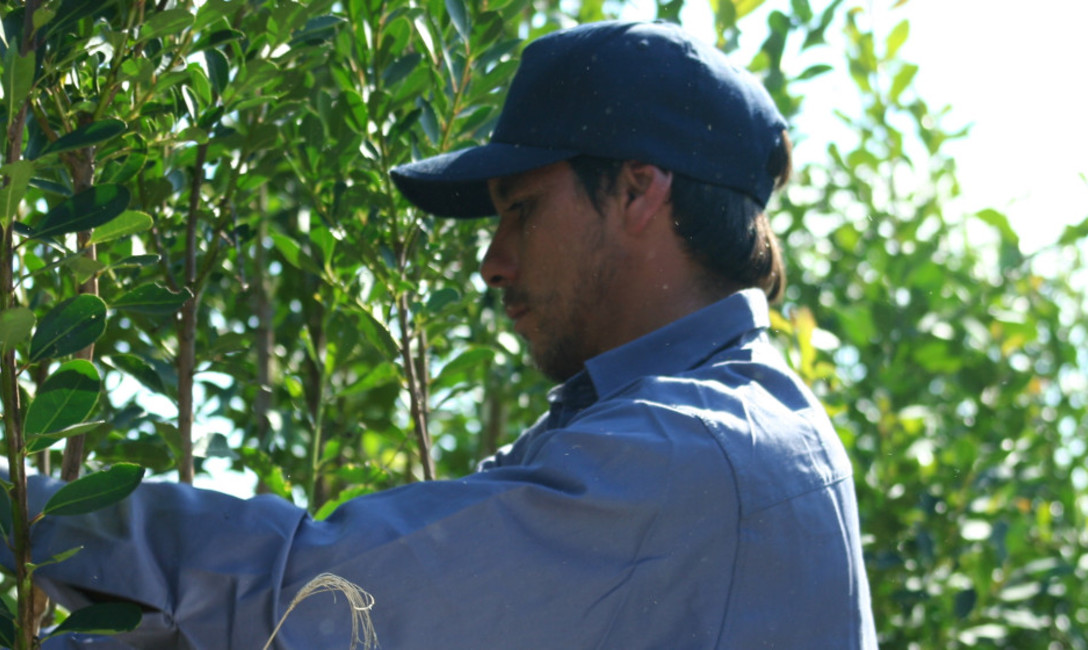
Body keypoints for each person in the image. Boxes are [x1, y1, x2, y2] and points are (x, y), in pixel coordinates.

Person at [9, 20, 877, 649]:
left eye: (521, 212)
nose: (494, 263)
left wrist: (22, 514)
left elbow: (321, 589)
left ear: (638, 191)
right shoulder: (724, 421)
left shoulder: (687, 450)